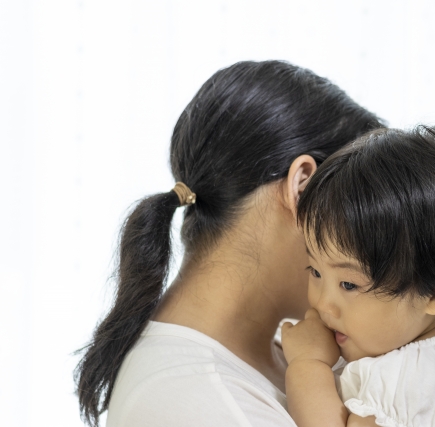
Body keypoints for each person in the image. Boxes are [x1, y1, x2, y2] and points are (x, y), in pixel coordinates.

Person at [74, 60, 383, 427]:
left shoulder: (298, 351)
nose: (376, 243)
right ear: (303, 188)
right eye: (363, 211)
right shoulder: (197, 401)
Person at [281, 125, 435, 427]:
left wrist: (307, 364)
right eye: (315, 271)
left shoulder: (402, 391)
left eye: (349, 284)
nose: (323, 303)